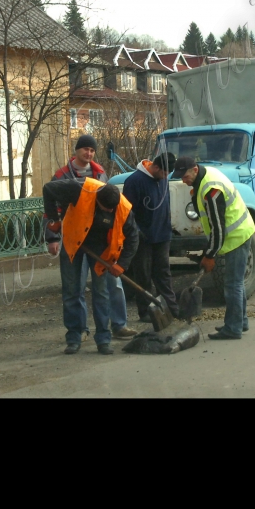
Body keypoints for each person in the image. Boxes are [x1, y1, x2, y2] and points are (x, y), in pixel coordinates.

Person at [48, 133, 136, 341]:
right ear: (76, 150)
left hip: (99, 242)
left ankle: (118, 325)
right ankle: (79, 331)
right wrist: (51, 235)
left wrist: (120, 260)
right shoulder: (63, 176)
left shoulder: (100, 173)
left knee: (110, 286)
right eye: (85, 149)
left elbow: (111, 210)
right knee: (75, 287)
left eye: (92, 150)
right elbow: (51, 204)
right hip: (74, 239)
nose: (88, 153)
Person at [43, 179, 140, 355]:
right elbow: (48, 188)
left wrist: (122, 265)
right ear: (97, 199)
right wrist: (54, 219)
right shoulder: (79, 190)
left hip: (102, 250)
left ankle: (103, 339)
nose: (110, 212)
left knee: (101, 293)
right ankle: (74, 337)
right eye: (106, 209)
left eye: (112, 209)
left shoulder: (123, 208)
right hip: (74, 242)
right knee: (71, 291)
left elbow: (133, 238)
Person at [171, 155, 255, 339]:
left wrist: (209, 255)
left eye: (185, 176)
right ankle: (240, 321)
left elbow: (218, 227)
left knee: (232, 284)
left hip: (236, 235)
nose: (183, 181)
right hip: (238, 232)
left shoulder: (211, 189)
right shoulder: (205, 176)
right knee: (236, 282)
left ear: (194, 170)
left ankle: (233, 328)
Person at [122, 152, 179, 323]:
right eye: (163, 173)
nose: (165, 177)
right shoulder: (134, 182)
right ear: (155, 167)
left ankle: (171, 308)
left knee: (163, 273)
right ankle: (145, 311)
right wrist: (136, 231)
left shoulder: (163, 179)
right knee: (144, 275)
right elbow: (126, 211)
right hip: (142, 237)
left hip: (162, 234)